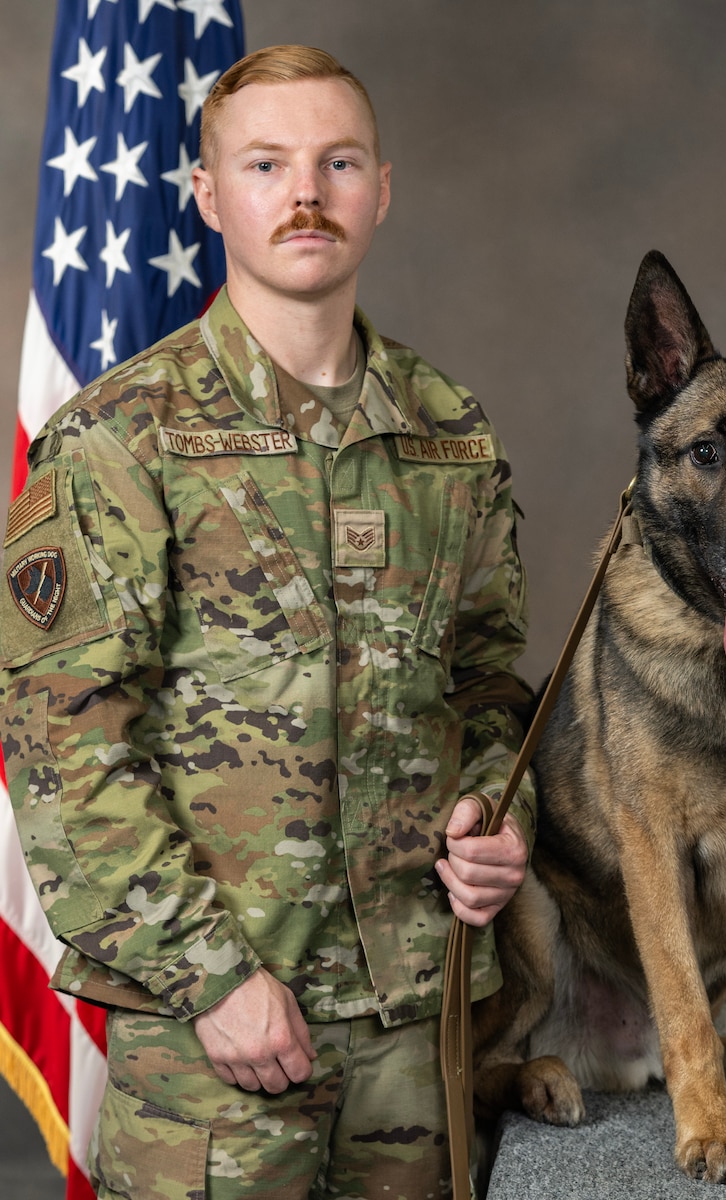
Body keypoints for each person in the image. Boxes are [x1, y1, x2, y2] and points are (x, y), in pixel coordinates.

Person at [0, 45, 535, 1199]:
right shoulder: (119, 438)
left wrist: (500, 815)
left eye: (337, 161)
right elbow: (64, 741)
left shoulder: (449, 433)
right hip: (218, 1045)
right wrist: (208, 979)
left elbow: (489, 683)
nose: (306, 193)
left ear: (380, 190)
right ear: (207, 197)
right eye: (267, 163)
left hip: (417, 1028)